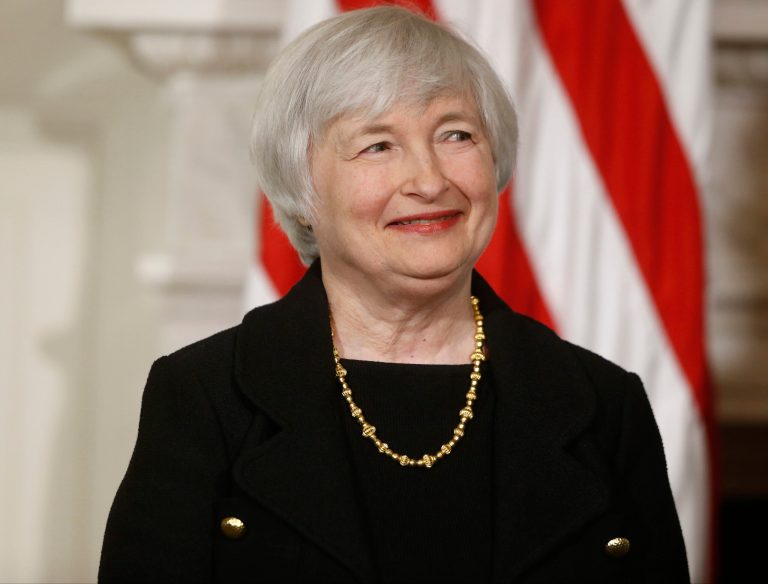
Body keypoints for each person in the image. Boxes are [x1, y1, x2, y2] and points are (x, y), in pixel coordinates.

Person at [99, 6, 689, 583]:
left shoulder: (603, 404)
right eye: (377, 145)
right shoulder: (206, 397)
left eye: (456, 135)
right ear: (302, 187)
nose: (430, 180)